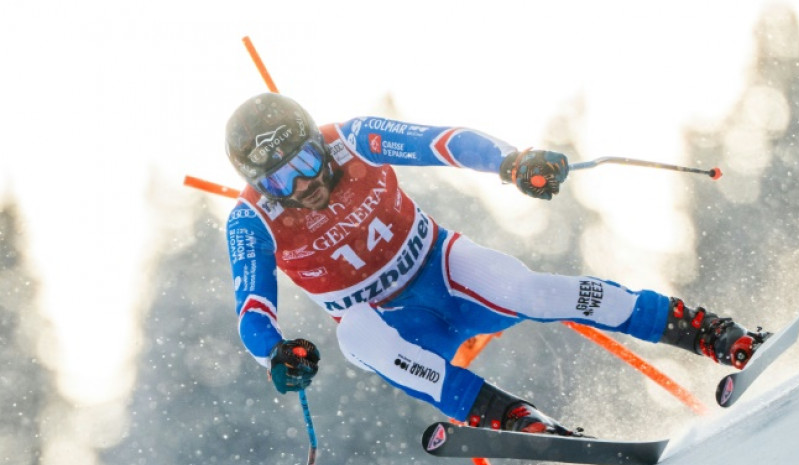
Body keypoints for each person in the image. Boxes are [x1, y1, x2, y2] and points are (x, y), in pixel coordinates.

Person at [224, 93, 768, 435]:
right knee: (358, 340)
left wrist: (510, 163)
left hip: (443, 270)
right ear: (258, 183)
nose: (304, 184)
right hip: (393, 323)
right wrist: (275, 353)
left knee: (530, 291)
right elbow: (252, 308)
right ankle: (516, 421)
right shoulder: (251, 220)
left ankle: (714, 334)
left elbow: (443, 142)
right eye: (279, 179)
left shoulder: (352, 140)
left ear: (316, 142)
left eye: (304, 161)